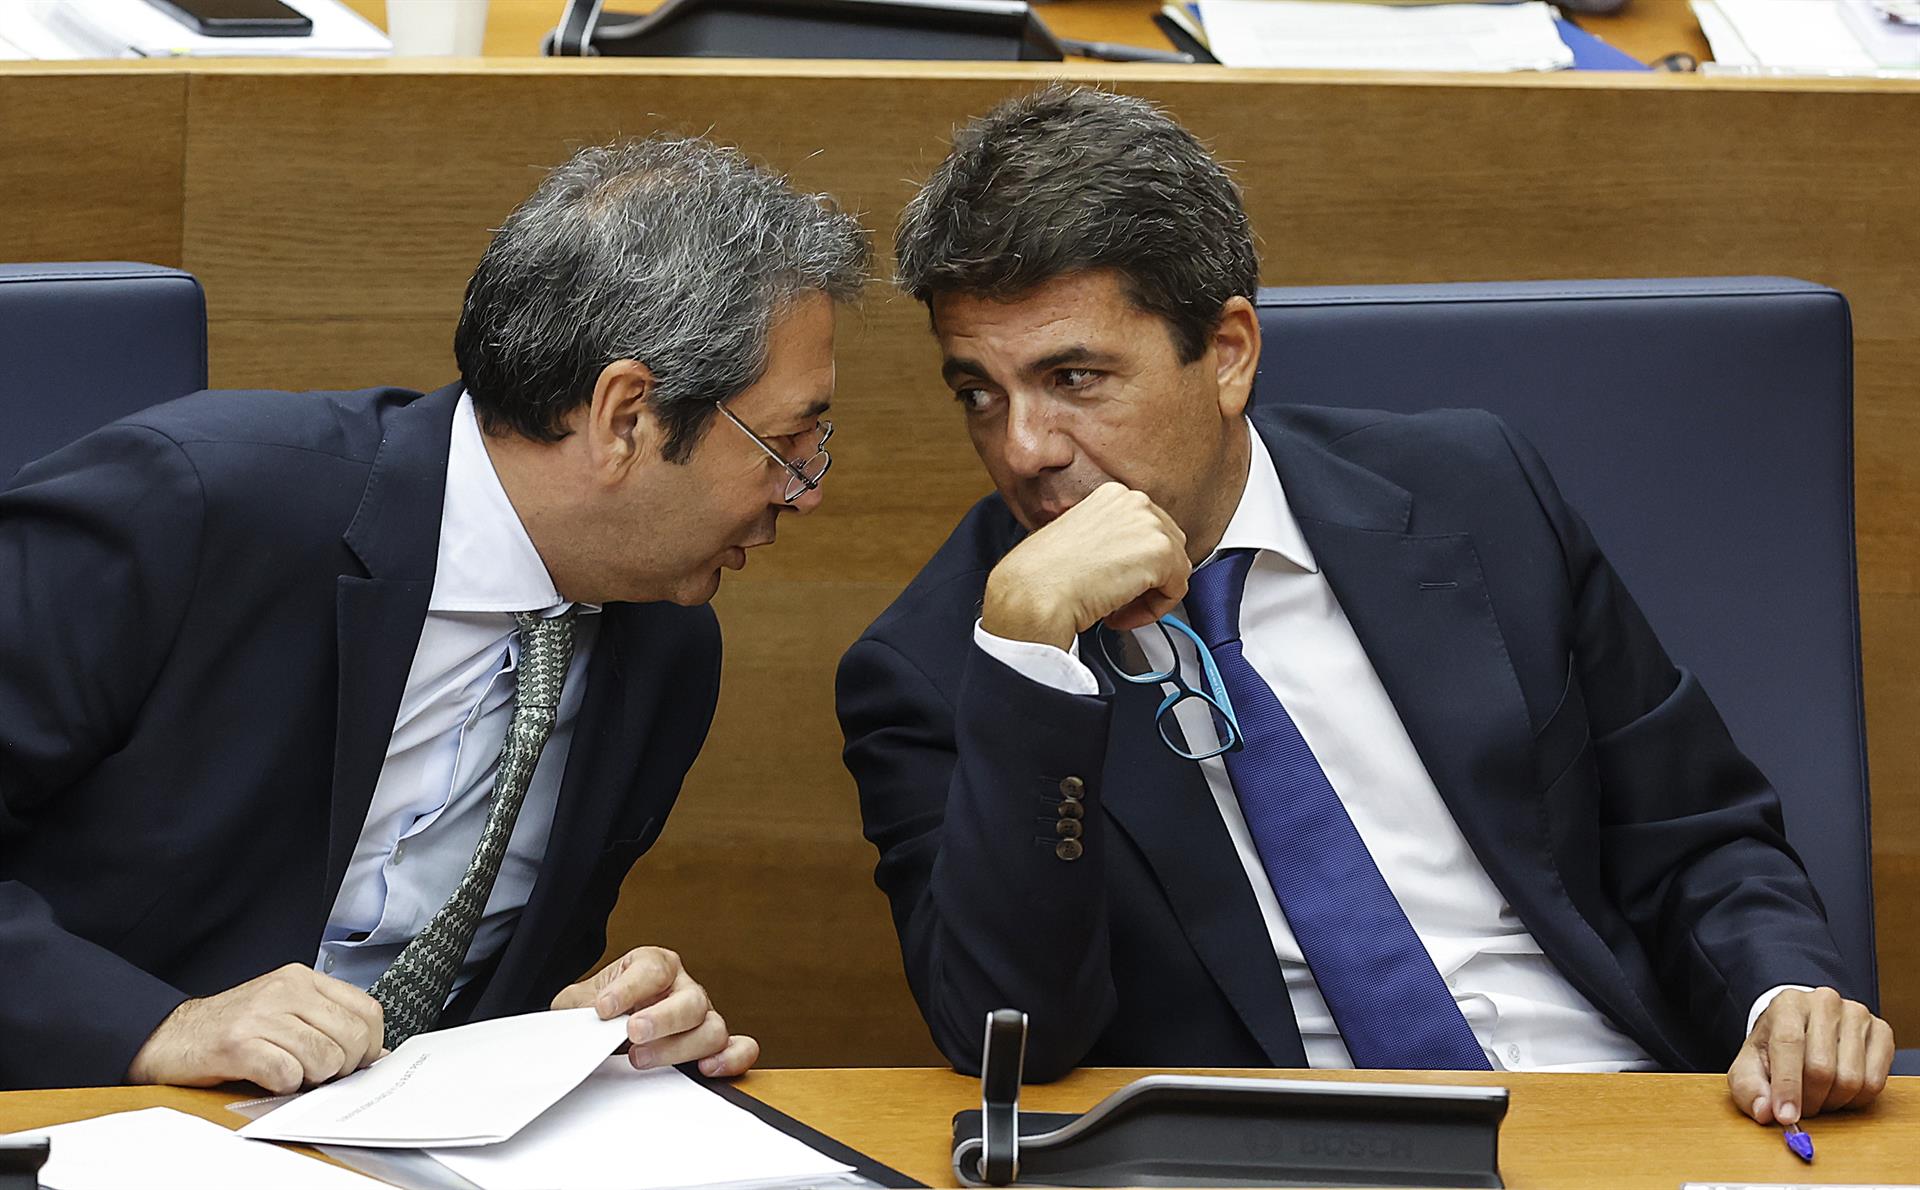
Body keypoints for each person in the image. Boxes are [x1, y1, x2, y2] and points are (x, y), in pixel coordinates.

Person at [837, 85, 1894, 1126]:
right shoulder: (937, 665)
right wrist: (1032, 673)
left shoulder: (1470, 490)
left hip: (1602, 1108)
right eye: (979, 391)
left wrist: (1779, 995)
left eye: (1074, 376)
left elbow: (1691, 829)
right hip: (1286, 1153)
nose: (1024, 447)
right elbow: (1007, 1037)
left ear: (1230, 356)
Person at [0, 136, 867, 1093]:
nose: (805, 490)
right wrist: (158, 1027)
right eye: (789, 442)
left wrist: (584, 1030)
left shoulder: (663, 650)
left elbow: (468, 994)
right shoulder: (192, 506)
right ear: (627, 416)